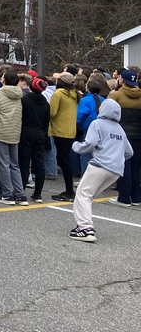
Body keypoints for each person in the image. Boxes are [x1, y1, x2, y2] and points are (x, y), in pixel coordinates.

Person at [70, 100, 133, 241]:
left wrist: (76, 146)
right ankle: (83, 226)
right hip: (116, 170)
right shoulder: (119, 129)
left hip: (99, 165)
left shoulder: (97, 124)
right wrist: (117, 157)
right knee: (88, 195)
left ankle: (86, 228)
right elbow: (129, 152)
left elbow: (91, 143)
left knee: (83, 194)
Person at [0, 71, 28, 205]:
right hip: (14, 131)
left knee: (3, 163)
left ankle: (8, 194)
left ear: (4, 80)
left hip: (1, 131)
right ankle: (20, 194)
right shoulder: (20, 95)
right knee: (14, 164)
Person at [108, 68, 141, 207]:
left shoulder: (116, 96)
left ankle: (124, 197)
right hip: (138, 136)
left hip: (120, 135)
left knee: (123, 166)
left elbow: (105, 112)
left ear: (121, 80)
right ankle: (136, 197)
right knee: (136, 167)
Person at [19, 77, 51, 203]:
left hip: (26, 132)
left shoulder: (25, 100)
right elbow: (46, 122)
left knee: (24, 163)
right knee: (39, 164)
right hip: (40, 134)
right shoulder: (45, 104)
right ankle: (38, 193)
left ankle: (21, 191)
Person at [49, 72, 80, 201]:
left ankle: (69, 191)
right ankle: (69, 189)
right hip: (70, 130)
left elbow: (52, 112)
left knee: (63, 160)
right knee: (65, 159)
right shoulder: (75, 95)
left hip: (59, 129)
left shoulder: (58, 94)